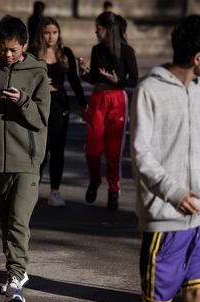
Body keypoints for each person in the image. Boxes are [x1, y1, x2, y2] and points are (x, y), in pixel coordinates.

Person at [130, 15, 200, 302]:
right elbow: (141, 153)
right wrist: (174, 193)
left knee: (199, 294)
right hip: (165, 219)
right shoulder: (149, 90)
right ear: (198, 57)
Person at [0, 15, 50, 302]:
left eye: (13, 49)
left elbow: (42, 120)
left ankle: (15, 278)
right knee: (4, 221)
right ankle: (16, 270)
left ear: (25, 45)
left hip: (27, 160)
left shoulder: (38, 71)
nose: (7, 55)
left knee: (18, 221)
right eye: (3, 49)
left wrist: (23, 101)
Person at [78, 11, 138, 210]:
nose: (96, 31)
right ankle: (95, 179)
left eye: (99, 28)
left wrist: (117, 81)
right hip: (98, 99)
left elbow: (134, 80)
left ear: (109, 29)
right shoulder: (97, 50)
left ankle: (114, 190)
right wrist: (84, 71)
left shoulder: (126, 51)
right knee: (92, 149)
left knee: (113, 152)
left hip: (117, 100)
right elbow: (95, 78)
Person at [28, 17, 87, 207]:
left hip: (59, 107)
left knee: (57, 150)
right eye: (47, 32)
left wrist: (83, 104)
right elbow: (24, 80)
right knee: (39, 150)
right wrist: (41, 85)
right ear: (40, 34)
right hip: (38, 107)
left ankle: (55, 191)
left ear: (59, 33)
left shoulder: (65, 53)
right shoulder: (32, 53)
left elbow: (74, 82)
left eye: (54, 32)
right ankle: (31, 188)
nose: (51, 36)